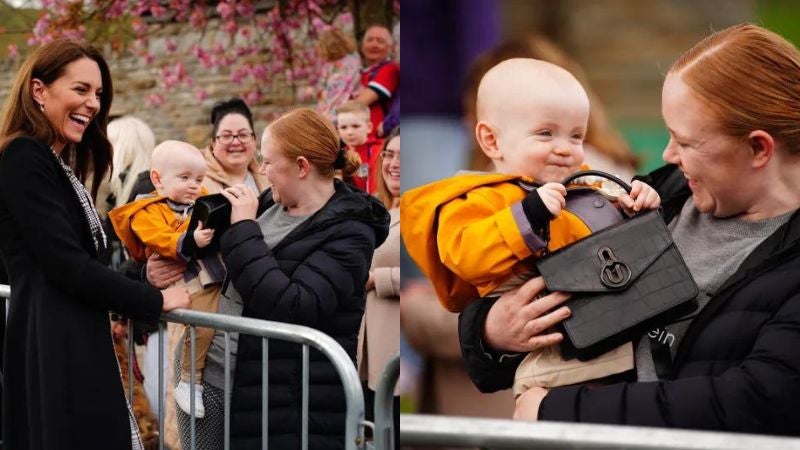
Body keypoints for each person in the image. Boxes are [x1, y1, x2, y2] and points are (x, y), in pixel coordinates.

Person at [458, 23, 800, 436]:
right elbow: (552, 282)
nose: (667, 153)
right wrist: (491, 330)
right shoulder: (667, 193)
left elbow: (759, 399)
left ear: (758, 148)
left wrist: (558, 412)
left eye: (685, 142)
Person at [402, 58, 661, 398]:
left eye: (576, 135)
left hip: (610, 337)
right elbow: (465, 255)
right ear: (492, 141)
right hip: (547, 358)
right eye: (545, 133)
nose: (564, 148)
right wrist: (528, 215)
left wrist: (635, 206)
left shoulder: (585, 187)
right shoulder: (478, 199)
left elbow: (618, 252)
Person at [0, 38, 190, 449]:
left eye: (99, 94)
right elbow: (65, 264)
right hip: (53, 340)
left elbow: (85, 261)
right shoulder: (23, 157)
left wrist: (144, 276)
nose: (92, 104)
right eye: (81, 89)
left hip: (76, 334)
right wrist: (154, 302)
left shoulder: (57, 164)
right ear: (39, 90)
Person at [216, 107, 389, 448]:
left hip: (298, 403)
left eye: (268, 161)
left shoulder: (352, 231)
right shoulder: (269, 203)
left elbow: (295, 305)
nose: (261, 171)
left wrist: (242, 231)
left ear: (301, 166)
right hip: (244, 383)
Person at [145, 97, 269, 450]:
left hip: (249, 303)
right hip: (202, 299)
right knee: (201, 416)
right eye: (226, 134)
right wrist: (149, 270)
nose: (236, 141)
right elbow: (158, 237)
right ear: (213, 142)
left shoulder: (267, 178)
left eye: (243, 134)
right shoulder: (193, 182)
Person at [109, 140, 222, 420]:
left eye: (198, 178)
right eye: (185, 178)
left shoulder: (201, 200)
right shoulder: (146, 209)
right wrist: (191, 238)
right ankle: (189, 381)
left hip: (206, 277)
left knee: (210, 328)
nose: (194, 185)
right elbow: (157, 239)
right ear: (158, 179)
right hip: (175, 285)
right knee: (201, 328)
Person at [357, 127, 400, 444]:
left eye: (404, 157)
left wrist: (378, 279)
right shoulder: (378, 209)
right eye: (390, 155)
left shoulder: (424, 209)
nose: (395, 164)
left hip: (396, 344)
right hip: (368, 347)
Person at [354, 24, 399, 138]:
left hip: (376, 141)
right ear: (362, 46)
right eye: (370, 40)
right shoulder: (363, 72)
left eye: (380, 41)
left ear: (391, 48)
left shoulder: (390, 69)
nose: (374, 45)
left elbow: (358, 104)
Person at [316, 27, 362, 124]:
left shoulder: (330, 66)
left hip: (334, 110)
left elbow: (327, 91)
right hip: (349, 104)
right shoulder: (354, 59)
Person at [336, 100, 382, 193]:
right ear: (338, 131)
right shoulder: (338, 155)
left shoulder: (379, 150)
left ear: (369, 127)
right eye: (343, 127)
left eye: (355, 126)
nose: (349, 132)